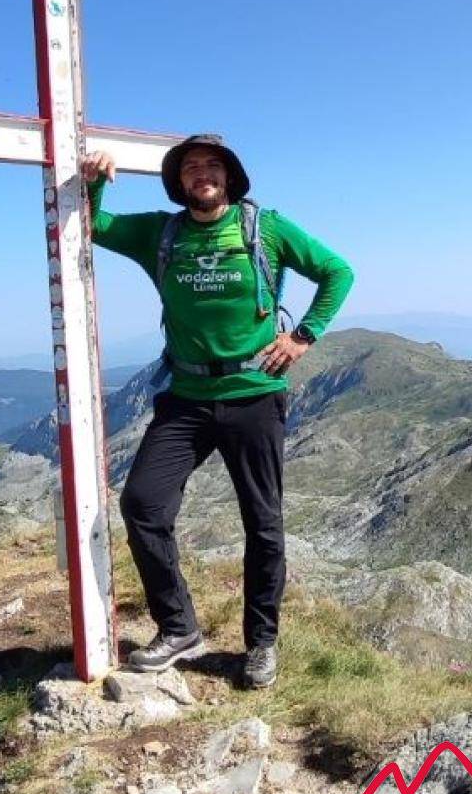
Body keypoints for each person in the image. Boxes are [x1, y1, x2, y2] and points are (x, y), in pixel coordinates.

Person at [80, 135, 354, 689]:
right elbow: (97, 227)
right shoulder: (161, 233)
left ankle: (261, 644)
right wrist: (92, 185)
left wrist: (303, 336)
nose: (201, 173)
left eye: (212, 165)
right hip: (186, 395)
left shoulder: (265, 228)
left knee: (263, 522)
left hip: (254, 393)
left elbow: (337, 271)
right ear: (178, 181)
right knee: (142, 504)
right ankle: (179, 628)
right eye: (190, 167)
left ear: (229, 176)